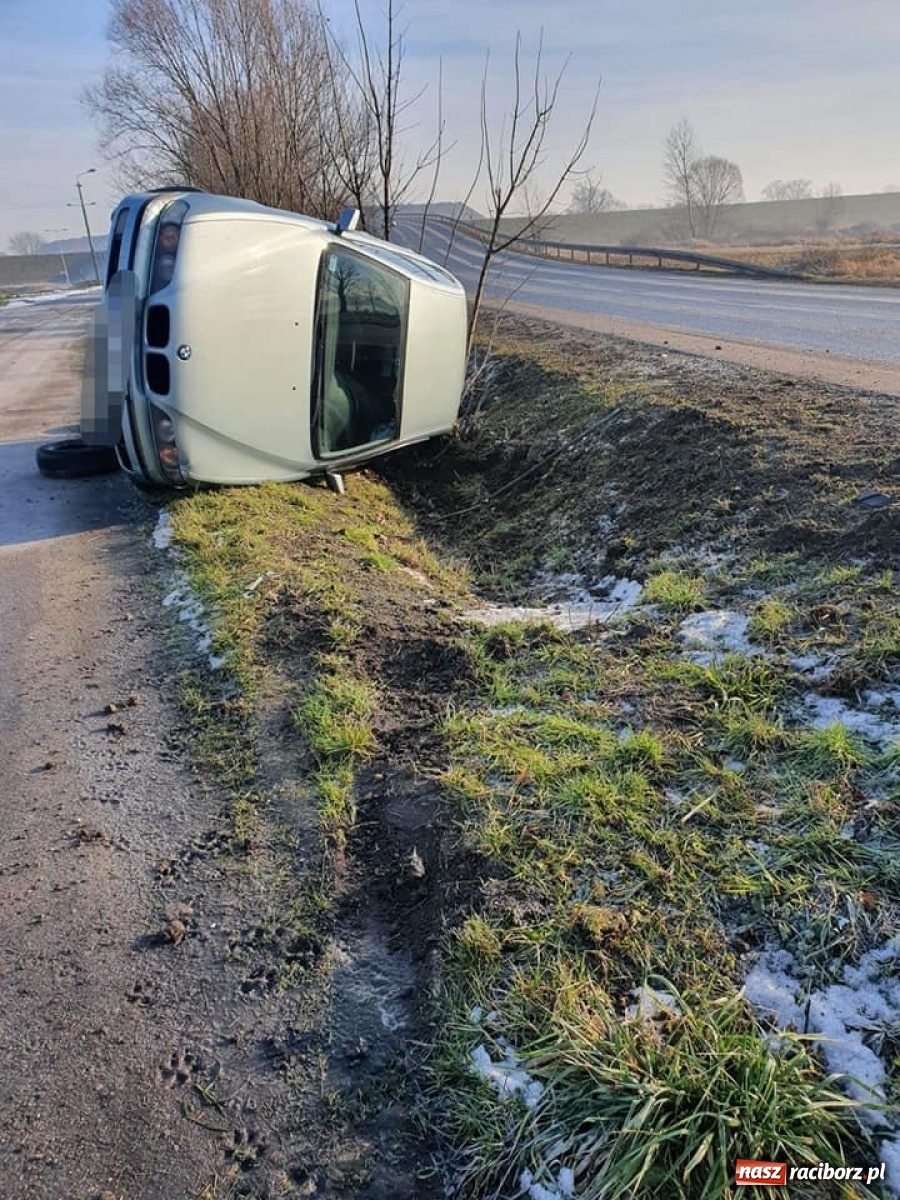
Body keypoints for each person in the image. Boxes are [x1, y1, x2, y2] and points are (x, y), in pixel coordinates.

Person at [151, 222, 180, 291]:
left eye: (179, 237)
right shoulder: (151, 261)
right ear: (159, 239)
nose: (176, 241)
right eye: (170, 238)